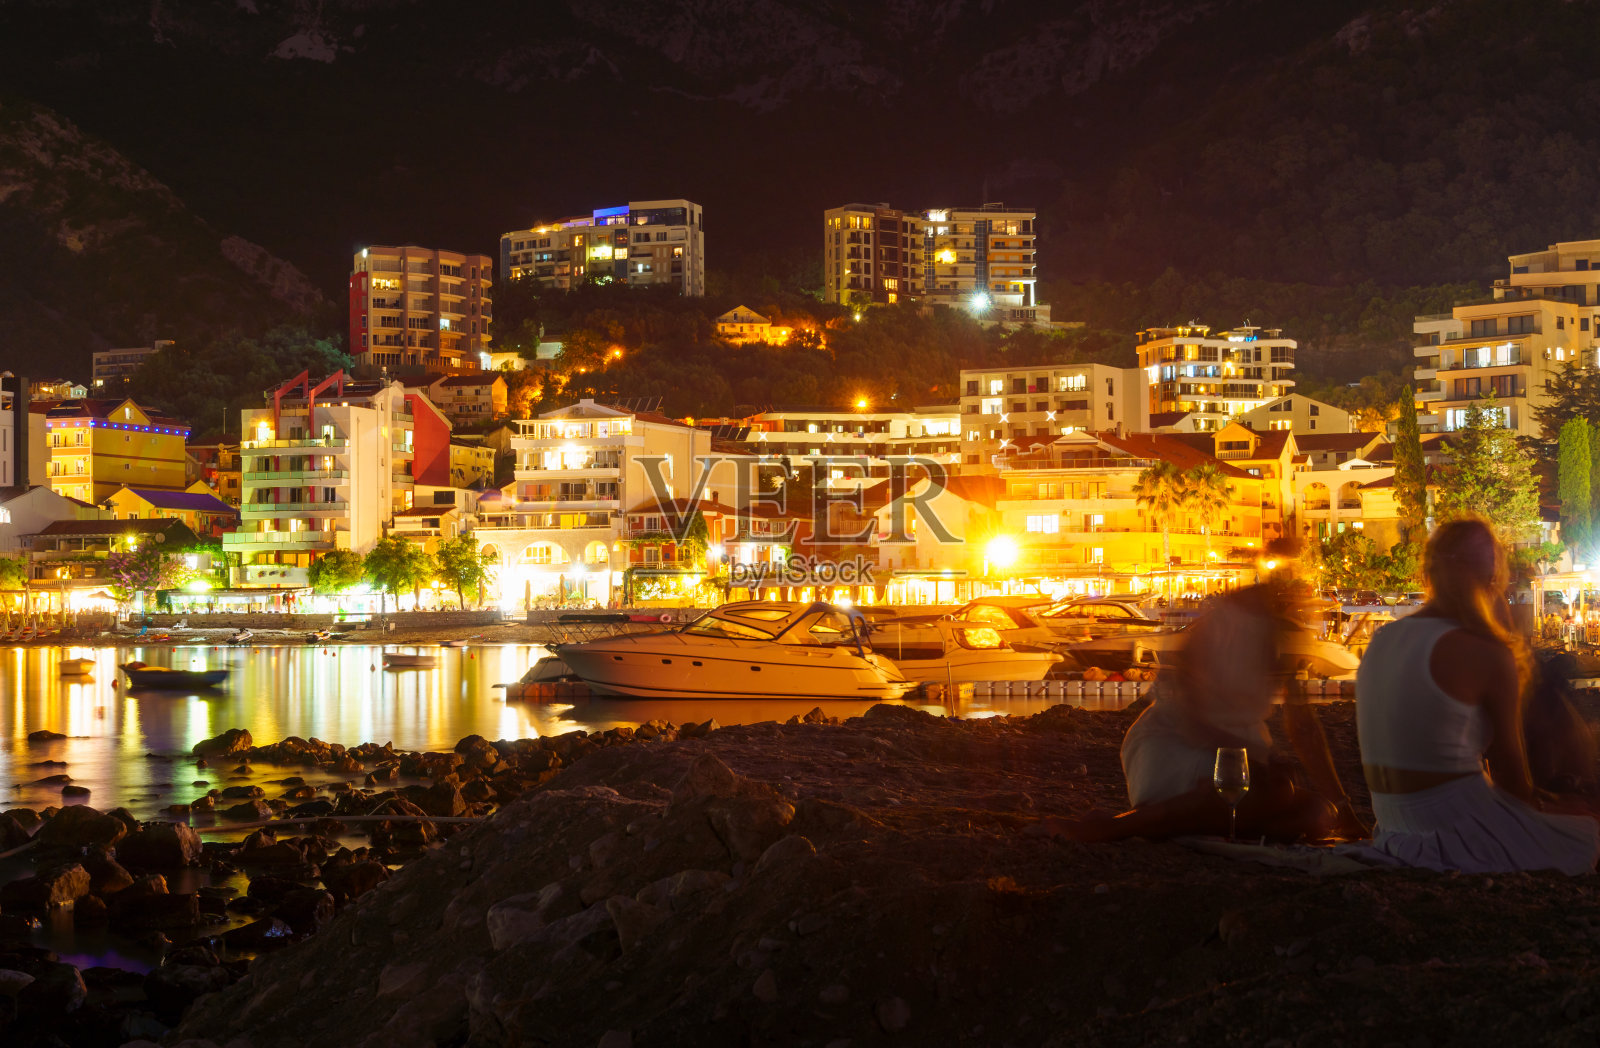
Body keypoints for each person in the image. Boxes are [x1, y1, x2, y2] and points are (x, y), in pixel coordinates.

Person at [1034, 539, 1367, 842]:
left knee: (1317, 814)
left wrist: (1342, 806)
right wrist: (1242, 755)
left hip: (1240, 752)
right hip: (1179, 741)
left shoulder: (1289, 631)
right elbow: (1186, 702)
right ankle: (1120, 826)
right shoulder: (1229, 616)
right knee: (1275, 791)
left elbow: (1303, 726)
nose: (1290, 585)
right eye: (1283, 572)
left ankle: (1203, 823)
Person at [1356, 518, 1599, 874]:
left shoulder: (1382, 640)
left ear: (1429, 573)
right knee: (1589, 828)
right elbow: (1512, 785)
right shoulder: (1486, 651)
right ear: (1492, 580)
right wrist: (1558, 806)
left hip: (1393, 828)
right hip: (1458, 832)